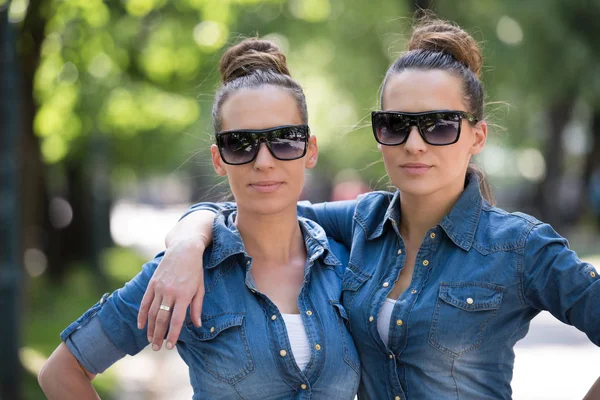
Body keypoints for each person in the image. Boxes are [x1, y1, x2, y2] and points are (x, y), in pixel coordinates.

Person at [137, 14, 600, 400]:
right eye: (396, 125)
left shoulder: (520, 247)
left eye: (439, 126)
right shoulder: (359, 223)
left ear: (476, 136)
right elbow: (258, 210)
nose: (414, 145)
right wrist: (187, 239)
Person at [37, 38, 360, 400]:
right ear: (219, 159)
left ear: (310, 150)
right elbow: (62, 372)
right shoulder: (182, 273)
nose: (264, 161)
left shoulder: (350, 266)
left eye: (284, 139)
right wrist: (189, 241)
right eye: (241, 143)